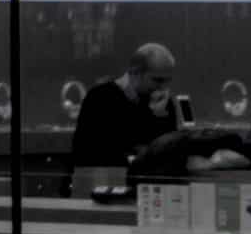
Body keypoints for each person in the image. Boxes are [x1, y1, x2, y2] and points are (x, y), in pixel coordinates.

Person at [69, 42, 176, 178]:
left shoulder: (163, 103)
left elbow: (168, 151)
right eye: (157, 80)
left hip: (146, 183)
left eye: (167, 81)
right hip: (103, 180)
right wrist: (151, 118)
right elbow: (91, 152)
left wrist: (160, 116)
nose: (163, 87)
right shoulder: (101, 98)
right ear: (135, 73)